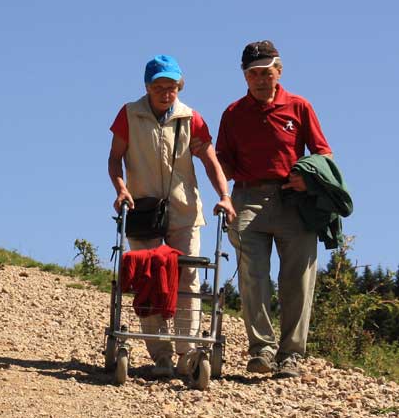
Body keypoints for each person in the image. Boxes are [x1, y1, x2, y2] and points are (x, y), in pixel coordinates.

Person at [109, 55, 235, 378]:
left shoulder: (191, 118)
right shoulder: (129, 115)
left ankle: (187, 351)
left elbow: (210, 162)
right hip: (142, 209)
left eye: (172, 87)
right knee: (149, 278)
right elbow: (115, 159)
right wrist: (121, 189)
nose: (167, 93)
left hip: (184, 210)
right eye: (160, 87)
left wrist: (224, 196)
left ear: (180, 87)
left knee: (189, 277)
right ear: (148, 87)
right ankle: (160, 354)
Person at [216, 40, 332, 378]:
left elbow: (323, 152)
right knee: (253, 275)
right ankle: (262, 350)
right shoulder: (233, 113)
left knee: (297, 278)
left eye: (267, 72)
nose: (261, 79)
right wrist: (222, 192)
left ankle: (291, 354)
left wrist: (307, 180)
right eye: (254, 73)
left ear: (279, 72)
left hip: (294, 200)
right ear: (245, 76)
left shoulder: (299, 107)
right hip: (248, 198)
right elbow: (223, 159)